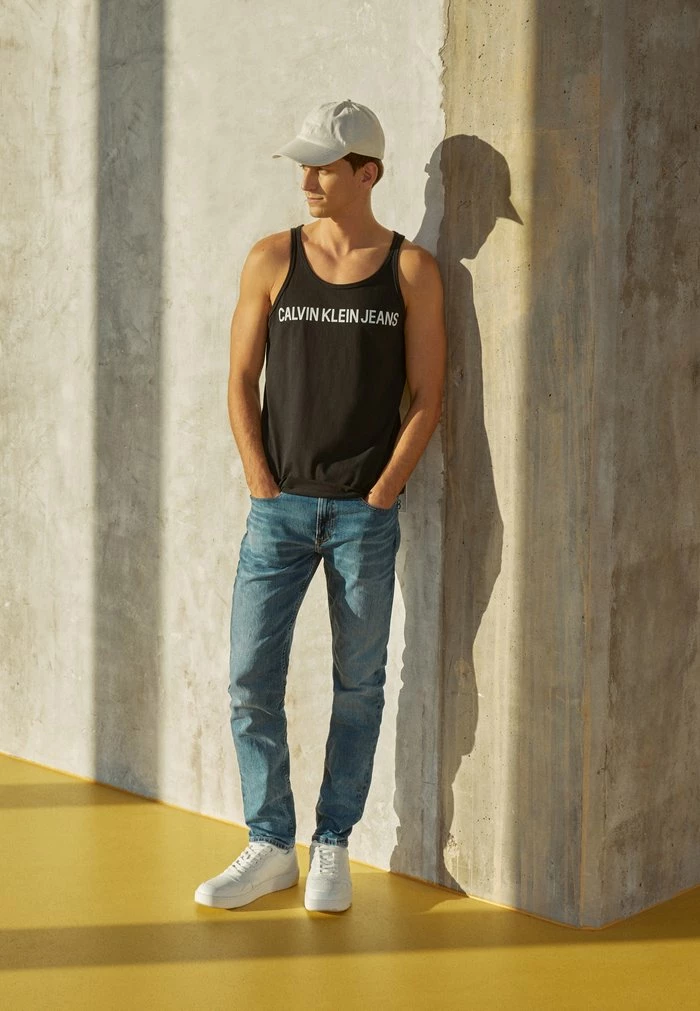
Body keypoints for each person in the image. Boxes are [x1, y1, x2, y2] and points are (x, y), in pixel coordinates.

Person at [195, 99, 446, 913]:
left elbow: (428, 394)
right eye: (303, 165)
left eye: (324, 167)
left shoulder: (412, 270)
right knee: (249, 679)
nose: (307, 179)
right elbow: (240, 377)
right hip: (278, 511)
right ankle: (271, 844)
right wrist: (260, 478)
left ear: (367, 174)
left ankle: (332, 841)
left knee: (359, 685)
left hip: (363, 517)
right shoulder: (272, 258)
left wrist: (385, 488)